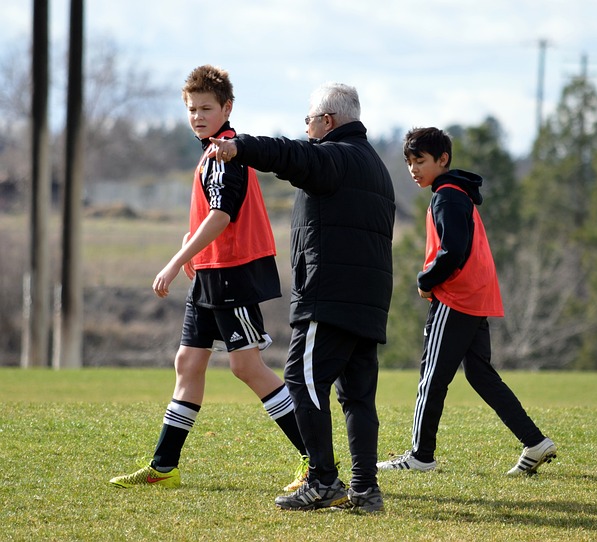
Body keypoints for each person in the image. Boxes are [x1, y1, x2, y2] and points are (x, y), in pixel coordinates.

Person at [109, 65, 306, 489]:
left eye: (206, 108)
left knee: (246, 366)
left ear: (227, 108)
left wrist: (174, 258)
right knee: (188, 361)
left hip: (230, 273)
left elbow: (222, 215)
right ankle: (164, 468)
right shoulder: (210, 151)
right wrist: (189, 242)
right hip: (210, 273)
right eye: (192, 108)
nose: (198, 116)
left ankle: (315, 460)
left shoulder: (225, 152)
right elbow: (211, 215)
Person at [210, 82, 395, 512]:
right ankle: (366, 490)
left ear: (327, 122)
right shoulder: (374, 164)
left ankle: (323, 480)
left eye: (309, 120)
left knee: (300, 379)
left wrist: (240, 146)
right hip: (367, 299)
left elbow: (289, 155)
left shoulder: (334, 156)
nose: (306, 128)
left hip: (328, 297)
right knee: (357, 396)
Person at [377, 127, 556, 476]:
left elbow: (453, 251)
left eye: (421, 161)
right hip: (475, 295)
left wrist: (426, 280)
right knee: (480, 375)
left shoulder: (446, 195)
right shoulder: (455, 192)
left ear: (442, 160)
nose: (414, 169)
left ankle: (420, 456)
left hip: (456, 297)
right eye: (410, 162)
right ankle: (535, 442)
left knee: (432, 376)